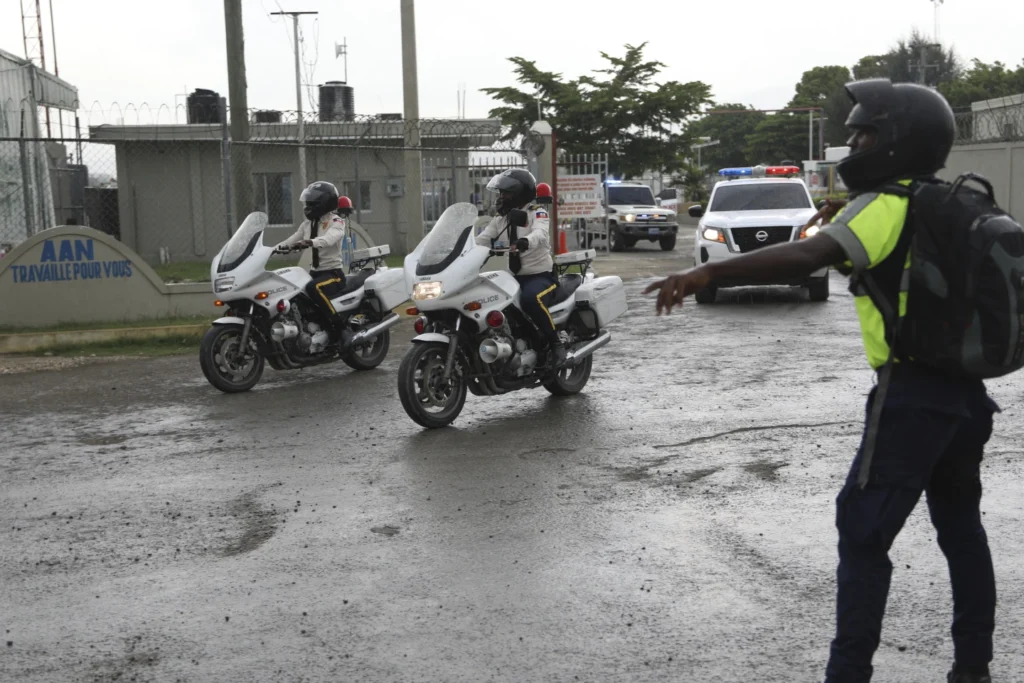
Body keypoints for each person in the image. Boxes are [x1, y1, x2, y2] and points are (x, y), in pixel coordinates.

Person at [644, 79, 999, 683]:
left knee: (862, 536)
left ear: (896, 141)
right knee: (961, 530)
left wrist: (707, 274)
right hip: (967, 397)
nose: (852, 143)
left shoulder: (887, 204)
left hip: (911, 396)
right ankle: (974, 667)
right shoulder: (953, 201)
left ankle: (848, 673)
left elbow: (805, 258)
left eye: (864, 133)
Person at [475, 169, 567, 368]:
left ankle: (555, 343)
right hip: (515, 276)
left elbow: (540, 233)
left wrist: (526, 240)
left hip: (540, 277)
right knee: (491, 296)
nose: (501, 198)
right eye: (499, 193)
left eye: (505, 193)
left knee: (530, 299)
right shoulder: (501, 219)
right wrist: (459, 249)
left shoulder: (536, 212)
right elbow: (482, 239)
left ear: (520, 193)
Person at [276, 181, 349, 330]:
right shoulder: (307, 224)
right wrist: (271, 250)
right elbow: (290, 241)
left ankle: (340, 327)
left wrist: (308, 242)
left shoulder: (336, 222)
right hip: (314, 272)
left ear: (324, 203)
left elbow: (328, 240)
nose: (307, 206)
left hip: (333, 274)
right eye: (307, 202)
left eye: (311, 202)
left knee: (313, 288)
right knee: (294, 290)